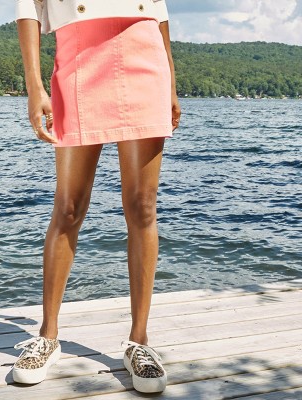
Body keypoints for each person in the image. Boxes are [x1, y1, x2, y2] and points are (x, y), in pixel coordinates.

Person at [13, 0, 181, 393]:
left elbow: (158, 8)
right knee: (68, 208)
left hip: (144, 56)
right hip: (78, 57)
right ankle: (47, 336)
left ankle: (139, 343)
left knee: (142, 207)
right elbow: (29, 7)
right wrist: (34, 86)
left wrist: (170, 82)